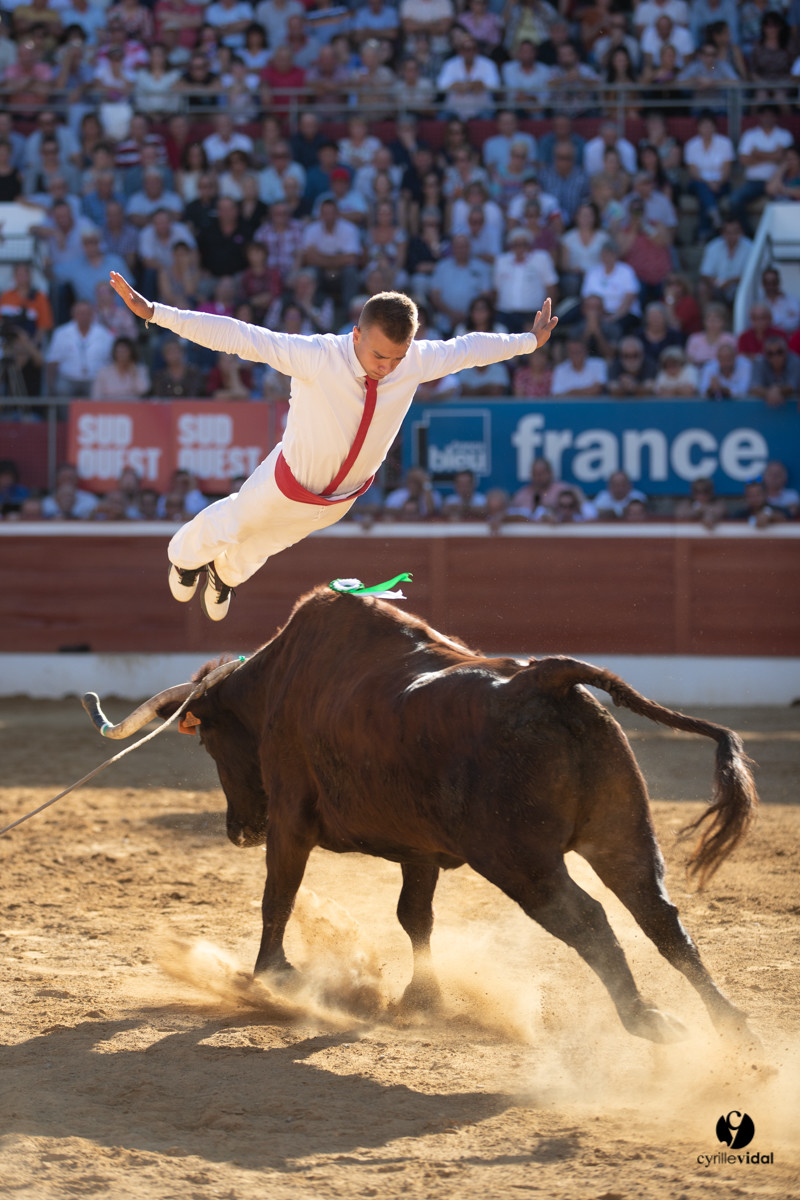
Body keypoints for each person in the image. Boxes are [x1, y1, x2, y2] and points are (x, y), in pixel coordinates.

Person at [109, 271, 558, 619]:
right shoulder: (318, 355)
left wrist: (528, 342)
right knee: (239, 521)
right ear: (356, 334)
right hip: (284, 482)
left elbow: (471, 348)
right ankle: (185, 559)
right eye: (379, 355)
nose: (387, 367)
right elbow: (240, 336)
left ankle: (225, 576)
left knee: (269, 543)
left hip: (339, 500)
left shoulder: (416, 361)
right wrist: (156, 313)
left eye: (397, 357)